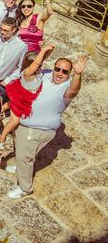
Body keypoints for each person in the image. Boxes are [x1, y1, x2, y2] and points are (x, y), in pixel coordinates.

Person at [7, 54, 88, 199]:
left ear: (69, 74)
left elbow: (74, 90)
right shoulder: (45, 75)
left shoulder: (66, 88)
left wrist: (78, 74)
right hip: (23, 122)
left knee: (25, 157)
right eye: (58, 69)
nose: (60, 73)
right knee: (22, 151)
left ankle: (25, 188)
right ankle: (21, 168)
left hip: (37, 129)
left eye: (65, 72)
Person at [0, 44, 54, 152]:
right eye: (37, 65)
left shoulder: (37, 71)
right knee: (15, 120)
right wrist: (44, 49)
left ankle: (1, 109)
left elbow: (42, 59)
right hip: (21, 99)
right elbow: (37, 62)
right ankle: (2, 138)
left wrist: (50, 50)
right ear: (30, 65)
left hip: (24, 95)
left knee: (11, 103)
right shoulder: (28, 73)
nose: (40, 66)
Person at [0, 17, 28, 86]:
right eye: (1, 28)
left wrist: (7, 80)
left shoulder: (22, 46)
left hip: (4, 82)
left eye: (5, 30)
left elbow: (21, 68)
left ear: (13, 30)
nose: (2, 32)